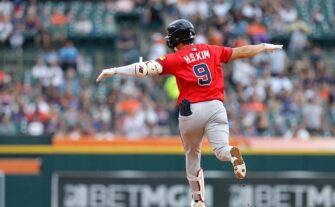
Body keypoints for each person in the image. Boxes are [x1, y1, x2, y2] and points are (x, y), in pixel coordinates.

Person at [96, 19, 282, 207]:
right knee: (221, 150)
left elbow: (144, 68)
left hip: (192, 110)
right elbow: (241, 51)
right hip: (216, 107)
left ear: (175, 38)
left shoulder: (176, 58)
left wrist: (114, 70)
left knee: (192, 154)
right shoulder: (211, 50)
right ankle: (232, 153)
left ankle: (198, 200)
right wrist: (264, 46)